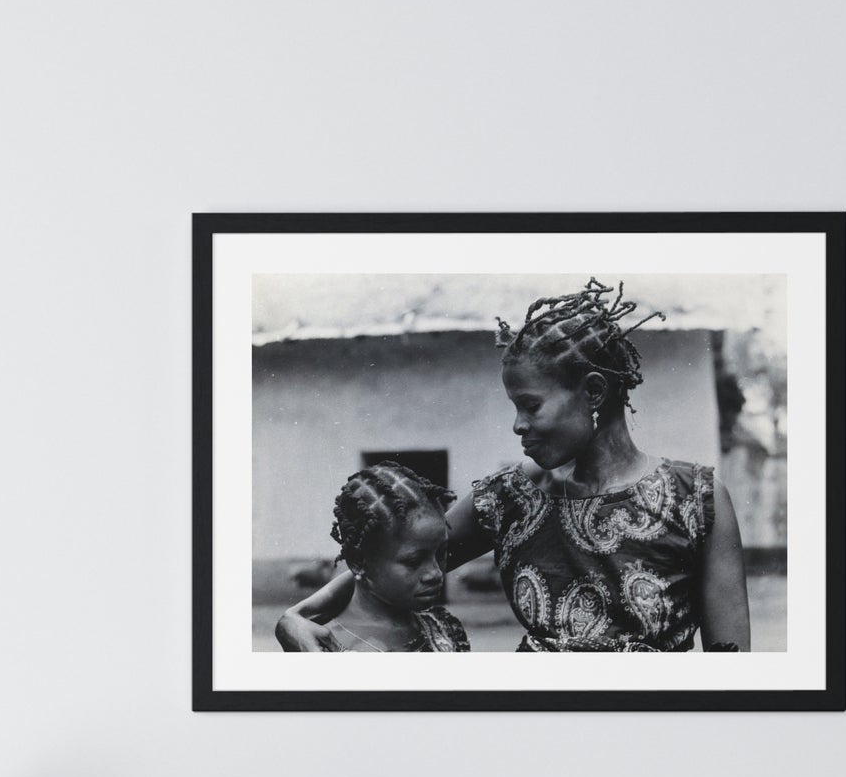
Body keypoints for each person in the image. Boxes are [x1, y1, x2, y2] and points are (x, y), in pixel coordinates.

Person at [278, 279, 750, 652]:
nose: (518, 425)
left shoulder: (697, 502)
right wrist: (295, 618)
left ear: (593, 392)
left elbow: (730, 670)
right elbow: (391, 556)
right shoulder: (509, 498)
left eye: (530, 405)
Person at [284, 462, 469, 653]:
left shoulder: (446, 628)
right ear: (358, 562)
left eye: (441, 553)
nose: (436, 573)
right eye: (413, 562)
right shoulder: (318, 646)